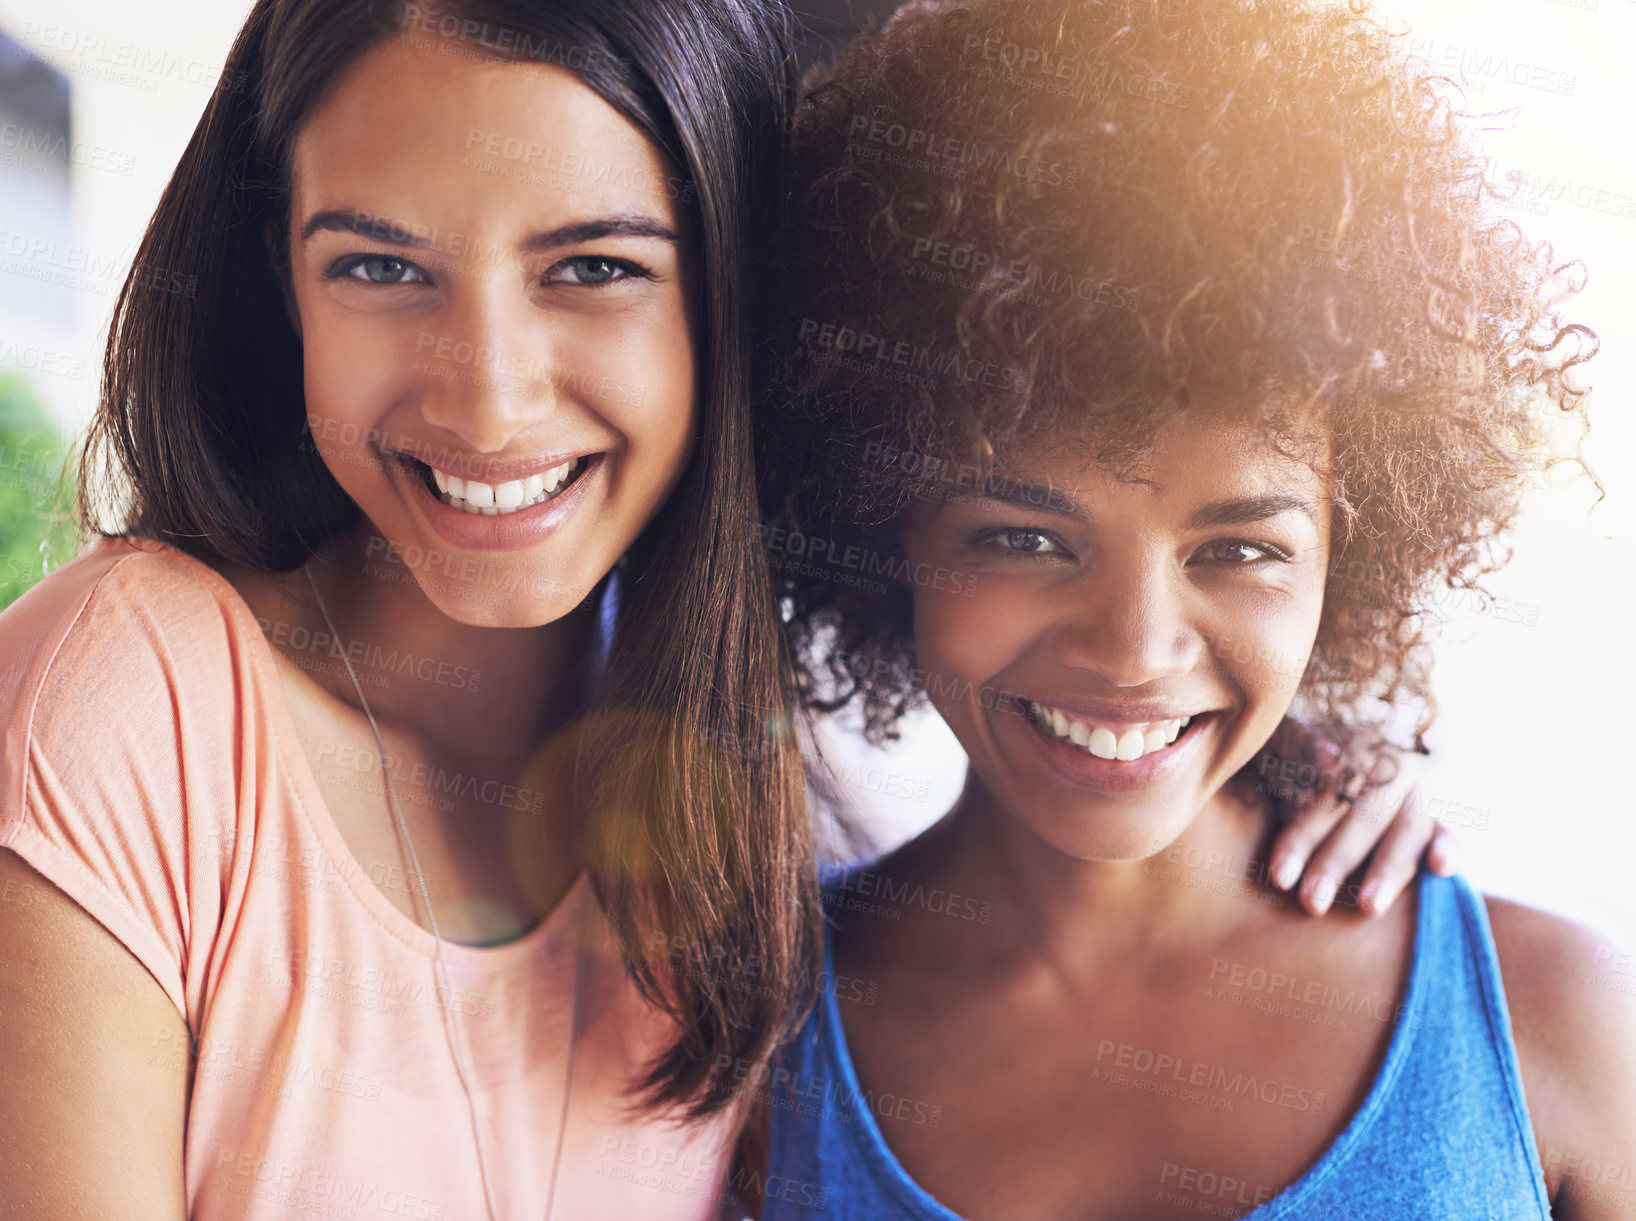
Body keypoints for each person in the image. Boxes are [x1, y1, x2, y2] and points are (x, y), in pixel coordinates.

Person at [755, 0, 1635, 1216]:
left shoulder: (1556, 1027)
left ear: (1353, 548)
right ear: (873, 520)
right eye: (1023, 539)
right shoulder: (752, 1048)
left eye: (1234, 550)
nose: (1132, 650)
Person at [0, 2, 820, 1217]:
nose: (486, 405)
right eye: (380, 267)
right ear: (280, 282)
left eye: (593, 268)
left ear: (731, 292)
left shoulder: (731, 772)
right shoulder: (127, 711)